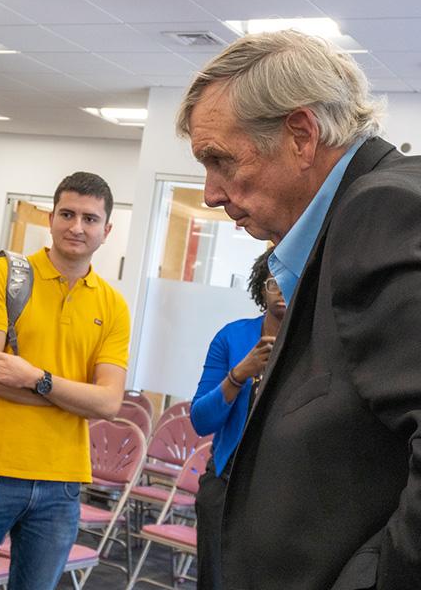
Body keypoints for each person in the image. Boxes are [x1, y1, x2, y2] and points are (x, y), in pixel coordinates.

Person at [177, 30, 421, 589]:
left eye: (220, 160)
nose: (209, 192)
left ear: (301, 134)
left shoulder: (383, 212)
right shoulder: (410, 196)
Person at [0, 172, 131, 590]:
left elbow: (108, 404)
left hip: (62, 480)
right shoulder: (4, 275)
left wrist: (35, 378)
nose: (76, 227)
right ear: (50, 217)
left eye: (89, 218)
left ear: (107, 230)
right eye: (66, 213)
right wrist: (72, 397)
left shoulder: (113, 305)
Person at [190, 247, 284, 589]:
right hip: (226, 485)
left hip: (285, 492)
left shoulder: (320, 340)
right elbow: (201, 420)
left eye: (293, 280)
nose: (283, 290)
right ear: (262, 287)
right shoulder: (233, 337)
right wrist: (240, 373)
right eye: (275, 282)